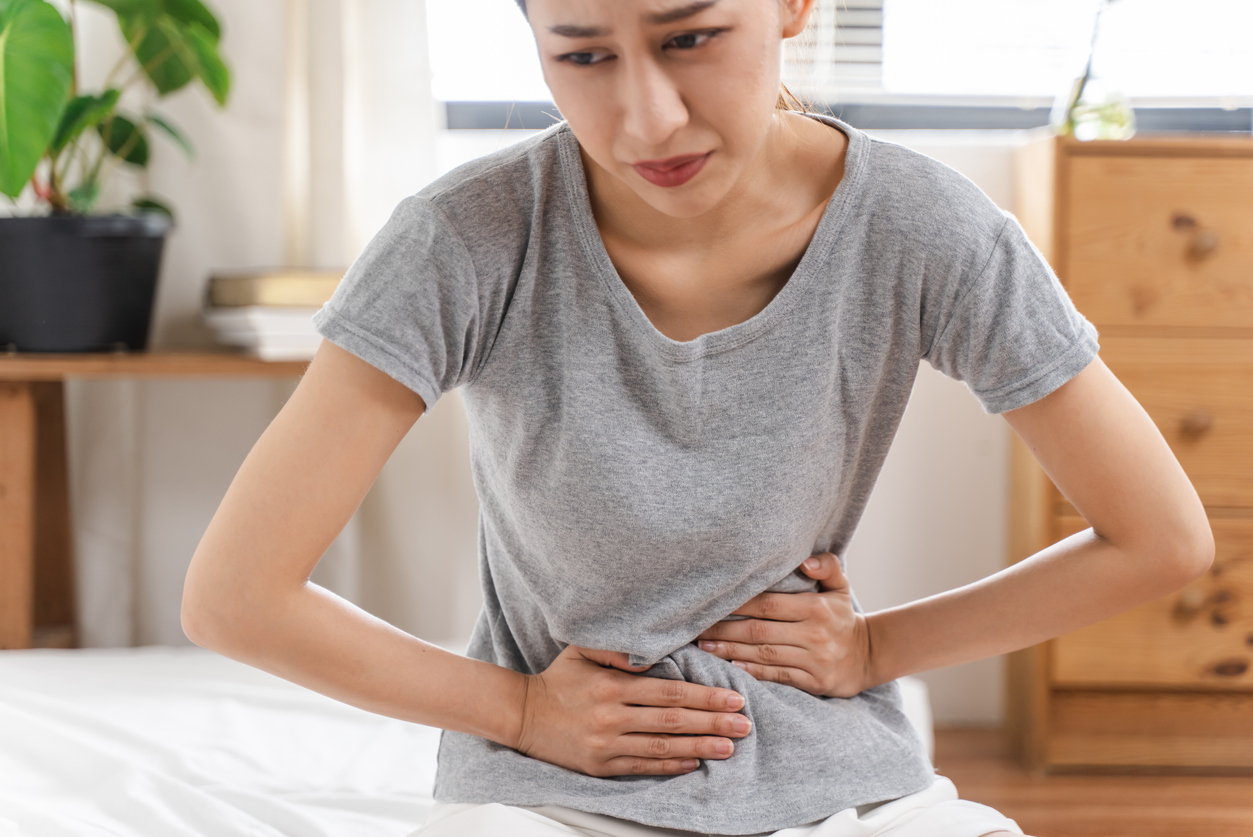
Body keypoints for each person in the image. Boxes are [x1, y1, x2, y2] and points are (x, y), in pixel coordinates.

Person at [181, 1, 1214, 835]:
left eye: (690, 38)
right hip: (549, 792)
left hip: (836, 786)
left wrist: (872, 651)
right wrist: (522, 711)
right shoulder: (465, 239)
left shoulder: (922, 230)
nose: (646, 119)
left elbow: (1159, 538)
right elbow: (234, 596)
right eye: (581, 55)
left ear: (792, 7)